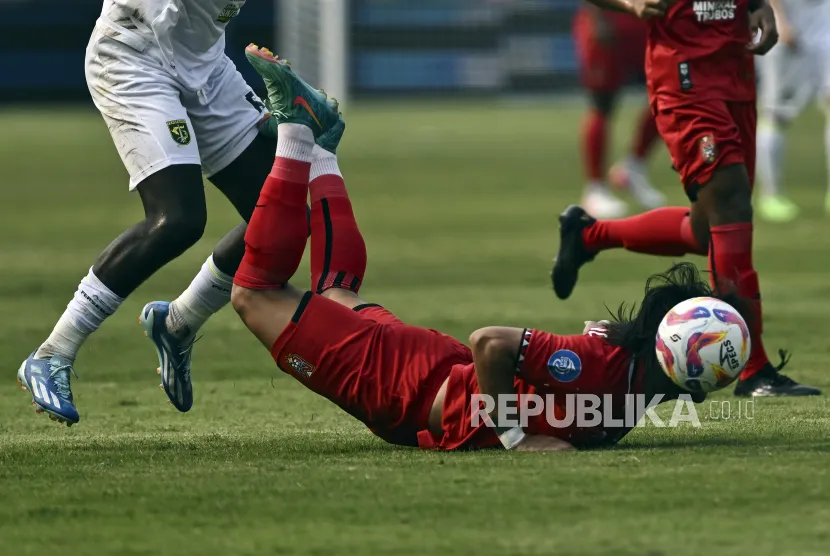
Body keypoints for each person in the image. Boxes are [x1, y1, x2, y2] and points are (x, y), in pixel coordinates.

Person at [230, 47, 747, 452]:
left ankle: (322, 148)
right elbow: (491, 342)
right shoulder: (608, 370)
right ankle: (297, 130)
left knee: (334, 294)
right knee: (255, 294)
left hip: (427, 377)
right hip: (407, 389)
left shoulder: (636, 377)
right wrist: (517, 438)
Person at [17, 1, 293, 425]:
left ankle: (178, 323)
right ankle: (52, 353)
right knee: (177, 218)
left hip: (205, 65)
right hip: (133, 56)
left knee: (281, 216)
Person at [552, 0, 820, 397]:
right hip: (686, 81)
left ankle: (588, 235)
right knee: (730, 207)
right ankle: (754, 369)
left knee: (707, 230)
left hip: (735, 69)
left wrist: (758, 4)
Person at [573, 3, 666, 218]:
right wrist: (596, 18)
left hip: (645, 18)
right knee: (602, 105)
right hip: (609, 17)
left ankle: (633, 166)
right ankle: (595, 189)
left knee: (668, 96)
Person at [755, 0, 830, 222]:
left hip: (823, 23)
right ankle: (771, 194)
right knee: (775, 115)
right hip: (788, 27)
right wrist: (780, 19)